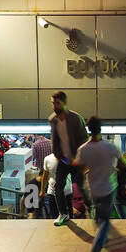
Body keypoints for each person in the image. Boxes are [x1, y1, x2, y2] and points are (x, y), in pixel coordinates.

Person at [73, 116, 120, 252]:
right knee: (105, 221)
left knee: (98, 217)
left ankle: (101, 237)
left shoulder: (84, 149)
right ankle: (96, 248)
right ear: (101, 129)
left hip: (92, 189)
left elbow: (78, 167)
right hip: (108, 188)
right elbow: (123, 162)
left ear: (89, 130)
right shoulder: (109, 147)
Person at [48, 91, 88, 226]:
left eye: (57, 103)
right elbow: (54, 139)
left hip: (77, 160)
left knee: (82, 187)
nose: (54, 106)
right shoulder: (53, 120)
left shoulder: (76, 119)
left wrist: (80, 160)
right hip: (63, 160)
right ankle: (63, 214)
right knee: (57, 186)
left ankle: (91, 210)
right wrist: (57, 153)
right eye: (53, 103)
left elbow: (84, 140)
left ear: (64, 103)